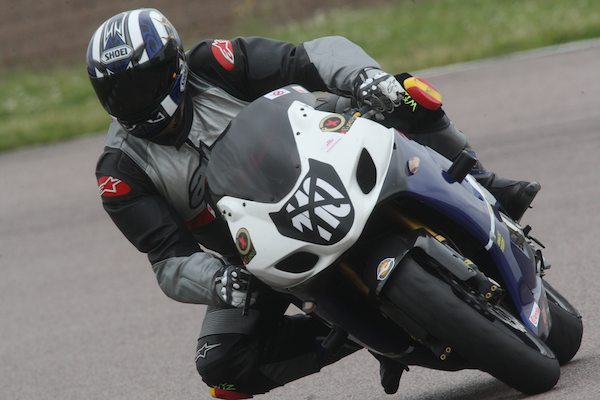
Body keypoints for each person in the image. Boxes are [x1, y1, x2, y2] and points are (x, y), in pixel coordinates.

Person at [88, 8, 540, 399]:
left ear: (174, 66)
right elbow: (168, 260)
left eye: (141, 84)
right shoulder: (121, 172)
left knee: (402, 92)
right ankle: (356, 330)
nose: (131, 102)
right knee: (223, 366)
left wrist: (365, 79)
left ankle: (486, 185)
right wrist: (218, 282)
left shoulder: (214, 63)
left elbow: (308, 57)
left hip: (328, 159)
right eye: (116, 93)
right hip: (260, 252)